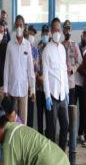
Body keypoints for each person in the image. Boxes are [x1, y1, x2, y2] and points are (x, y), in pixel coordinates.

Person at [42, 17, 69, 152]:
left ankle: (61, 155)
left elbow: (64, 71)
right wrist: (47, 96)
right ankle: (51, 158)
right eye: (55, 30)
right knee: (51, 130)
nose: (58, 32)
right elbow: (45, 75)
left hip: (62, 95)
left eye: (59, 30)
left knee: (65, 125)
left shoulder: (63, 49)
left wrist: (67, 91)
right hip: (52, 95)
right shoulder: (47, 50)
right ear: (51, 32)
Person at [4, 15, 35, 125]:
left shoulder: (27, 45)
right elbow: (6, 68)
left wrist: (33, 89)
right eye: (17, 25)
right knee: (12, 122)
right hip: (11, 90)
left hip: (23, 90)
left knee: (23, 122)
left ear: (24, 27)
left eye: (20, 25)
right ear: (14, 26)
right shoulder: (10, 45)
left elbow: (30, 69)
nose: (19, 27)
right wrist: (5, 90)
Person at [75, 28, 86, 143]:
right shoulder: (74, 47)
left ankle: (80, 133)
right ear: (81, 35)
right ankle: (70, 132)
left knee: (83, 111)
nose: (85, 37)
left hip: (84, 85)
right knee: (72, 109)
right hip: (74, 83)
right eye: (84, 35)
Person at [62, 20, 80, 106]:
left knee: (71, 109)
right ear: (63, 31)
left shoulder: (74, 45)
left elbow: (79, 61)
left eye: (69, 29)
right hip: (61, 83)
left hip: (71, 83)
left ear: (71, 31)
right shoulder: (60, 46)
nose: (67, 31)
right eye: (66, 29)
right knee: (62, 111)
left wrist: (73, 69)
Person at [36, 24, 50, 134]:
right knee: (39, 114)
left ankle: (49, 136)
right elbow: (34, 66)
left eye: (47, 33)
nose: (45, 35)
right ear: (41, 34)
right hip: (39, 87)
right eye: (44, 33)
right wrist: (38, 77)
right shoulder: (37, 48)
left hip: (49, 88)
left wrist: (46, 78)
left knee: (49, 114)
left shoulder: (52, 48)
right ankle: (40, 134)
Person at [27, 25, 40, 128]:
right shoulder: (22, 46)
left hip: (32, 86)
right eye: (30, 33)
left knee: (30, 111)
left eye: (34, 34)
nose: (32, 36)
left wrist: (32, 86)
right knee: (22, 112)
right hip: (22, 85)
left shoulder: (35, 50)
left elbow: (36, 69)